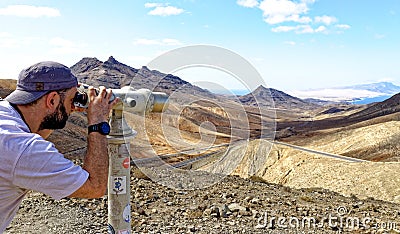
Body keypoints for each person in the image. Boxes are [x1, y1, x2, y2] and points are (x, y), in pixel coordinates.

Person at [0, 61, 118, 231]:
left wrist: (61, 111)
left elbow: (35, 127)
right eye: (72, 99)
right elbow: (95, 187)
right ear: (53, 99)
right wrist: (98, 122)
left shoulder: (6, 117)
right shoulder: (24, 149)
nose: (73, 105)